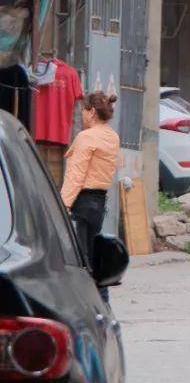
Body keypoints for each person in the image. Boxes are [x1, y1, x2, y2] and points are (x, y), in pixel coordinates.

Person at [62, 91, 121, 263]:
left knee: (80, 258)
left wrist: (64, 204)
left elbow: (76, 175)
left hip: (82, 202)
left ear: (92, 112)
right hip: (99, 203)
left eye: (84, 110)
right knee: (91, 255)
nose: (82, 114)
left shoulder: (86, 137)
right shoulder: (113, 137)